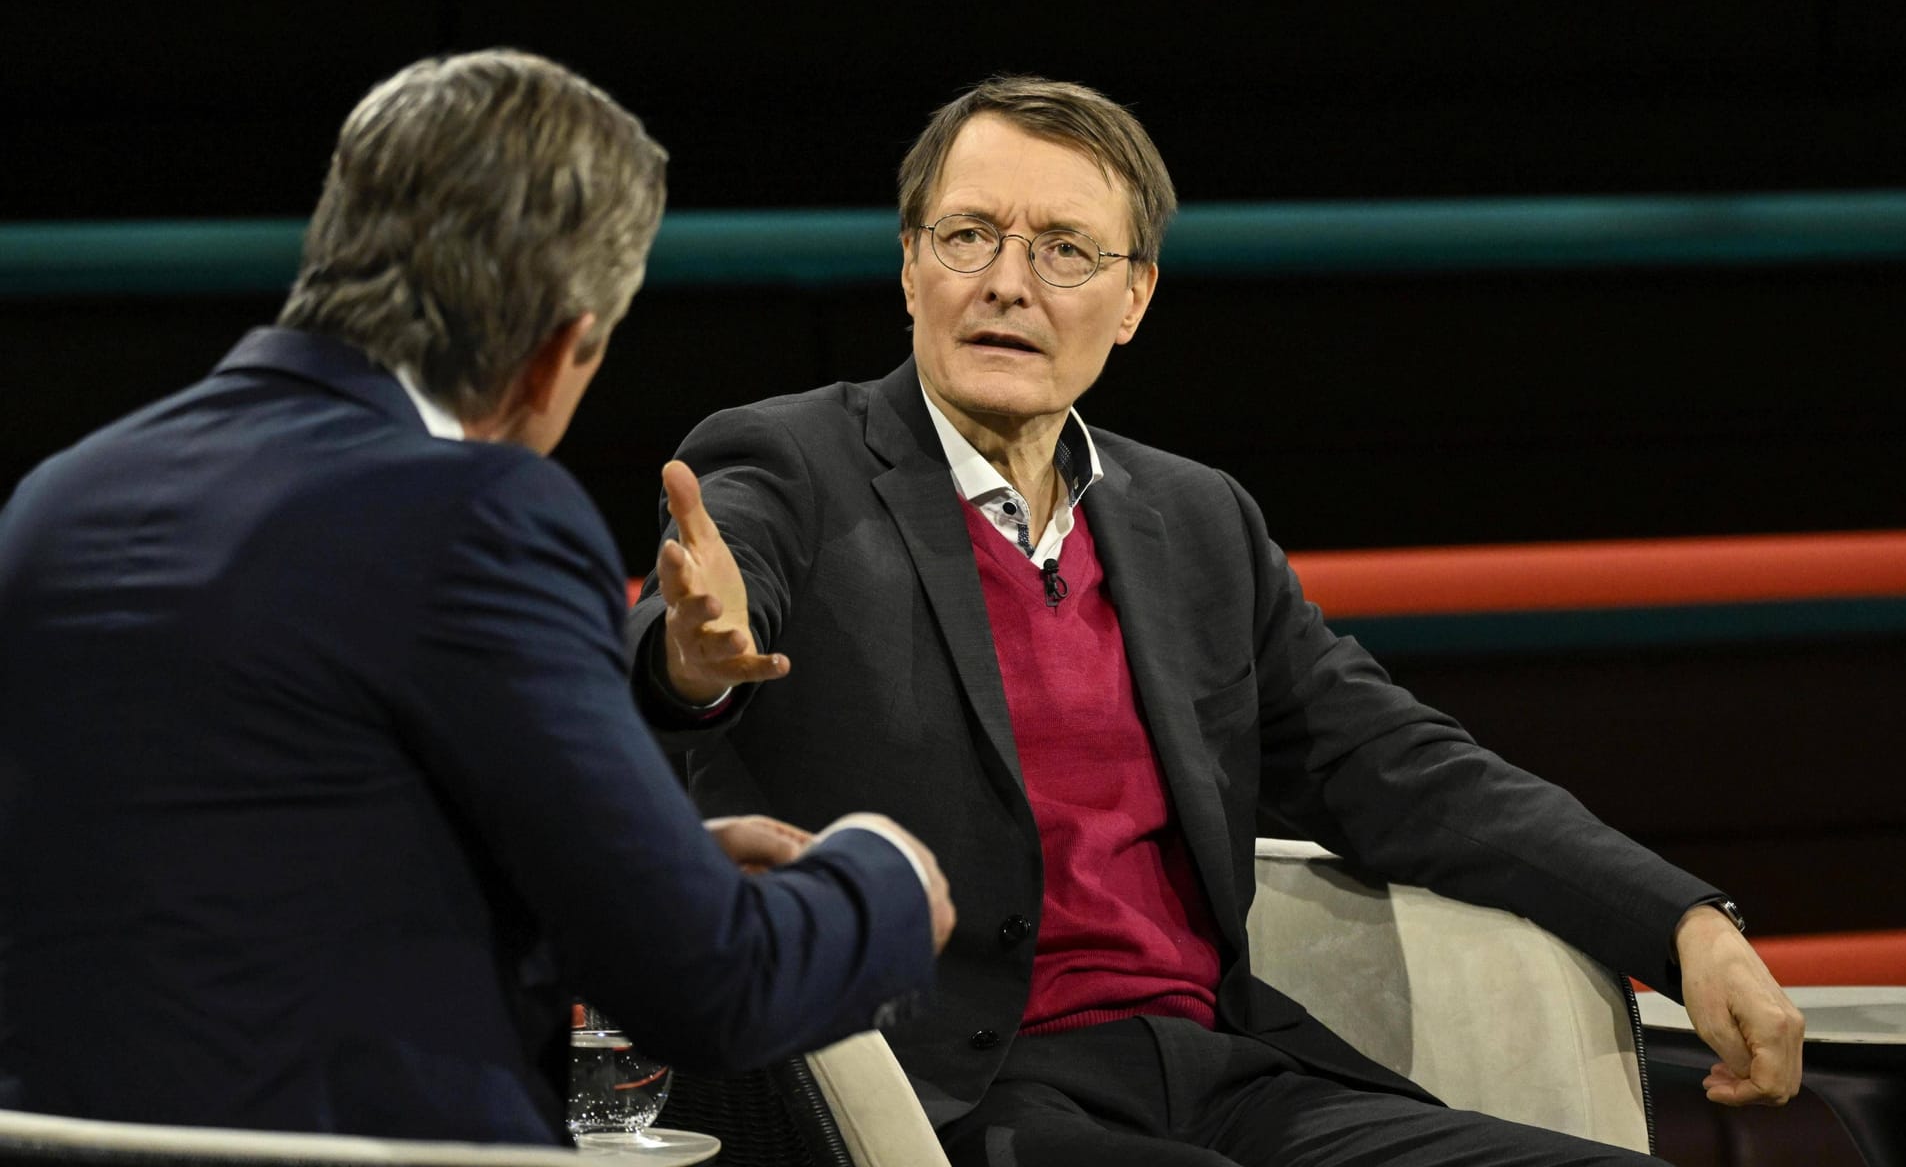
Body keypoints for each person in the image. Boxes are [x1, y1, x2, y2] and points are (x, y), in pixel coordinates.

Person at [625, 75, 1804, 1166]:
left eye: (1064, 250)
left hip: (1226, 1068)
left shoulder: (1195, 521)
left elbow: (1398, 764)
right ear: (909, 266)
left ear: (1133, 297)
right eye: (968, 235)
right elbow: (681, 649)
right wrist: (691, 663)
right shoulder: (791, 461)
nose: (1006, 281)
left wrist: (1682, 920)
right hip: (966, 1093)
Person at [0, 49, 952, 1145]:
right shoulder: (482, 512)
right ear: (557, 352)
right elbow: (708, 986)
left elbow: (238, 877)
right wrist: (880, 873)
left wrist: (638, 866)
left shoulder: (58, 497)